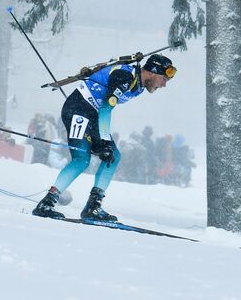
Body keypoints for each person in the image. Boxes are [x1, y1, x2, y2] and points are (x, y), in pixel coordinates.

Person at [32, 53, 177, 221]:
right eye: (164, 79)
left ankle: (93, 207)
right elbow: (106, 108)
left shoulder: (138, 85)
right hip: (78, 109)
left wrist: (105, 142)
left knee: (113, 157)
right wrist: (105, 140)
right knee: (81, 159)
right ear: (152, 72)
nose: (164, 85)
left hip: (92, 114)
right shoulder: (125, 77)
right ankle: (46, 203)